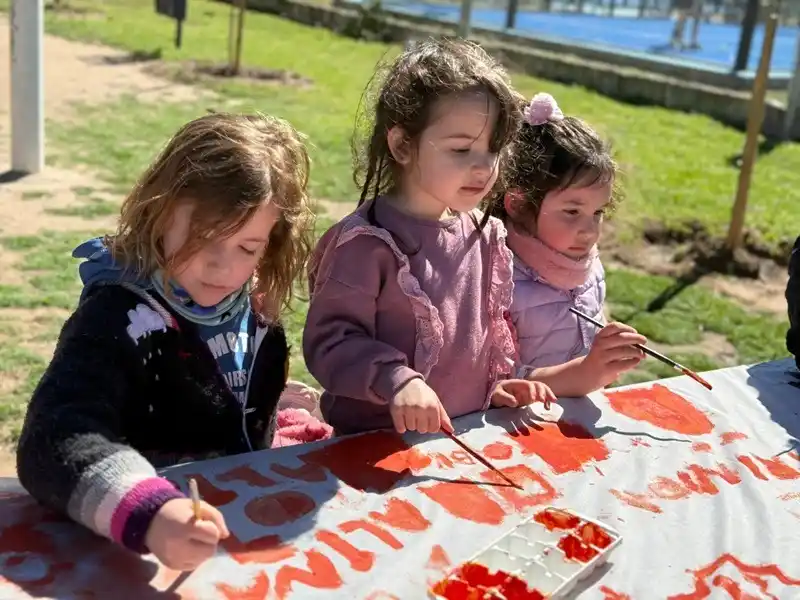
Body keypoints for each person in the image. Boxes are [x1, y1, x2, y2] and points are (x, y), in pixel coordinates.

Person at [15, 112, 315, 571]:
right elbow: (55, 437)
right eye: (203, 238)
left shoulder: (255, 310)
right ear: (159, 212)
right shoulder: (119, 317)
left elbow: (220, 401)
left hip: (239, 543)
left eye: (247, 248)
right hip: (135, 550)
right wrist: (149, 512)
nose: (221, 267)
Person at [303, 38, 556, 437]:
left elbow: (473, 341)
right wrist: (396, 380)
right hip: (371, 451)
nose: (483, 167)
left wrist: (494, 387)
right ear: (402, 145)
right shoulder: (367, 244)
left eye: (493, 150)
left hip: (457, 444)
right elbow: (330, 343)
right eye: (461, 150)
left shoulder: (483, 233)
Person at [489, 93, 646, 397]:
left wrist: (610, 353)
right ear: (519, 205)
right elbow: (500, 384)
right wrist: (588, 373)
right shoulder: (496, 280)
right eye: (572, 212)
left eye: (598, 213)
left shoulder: (590, 266)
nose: (589, 232)